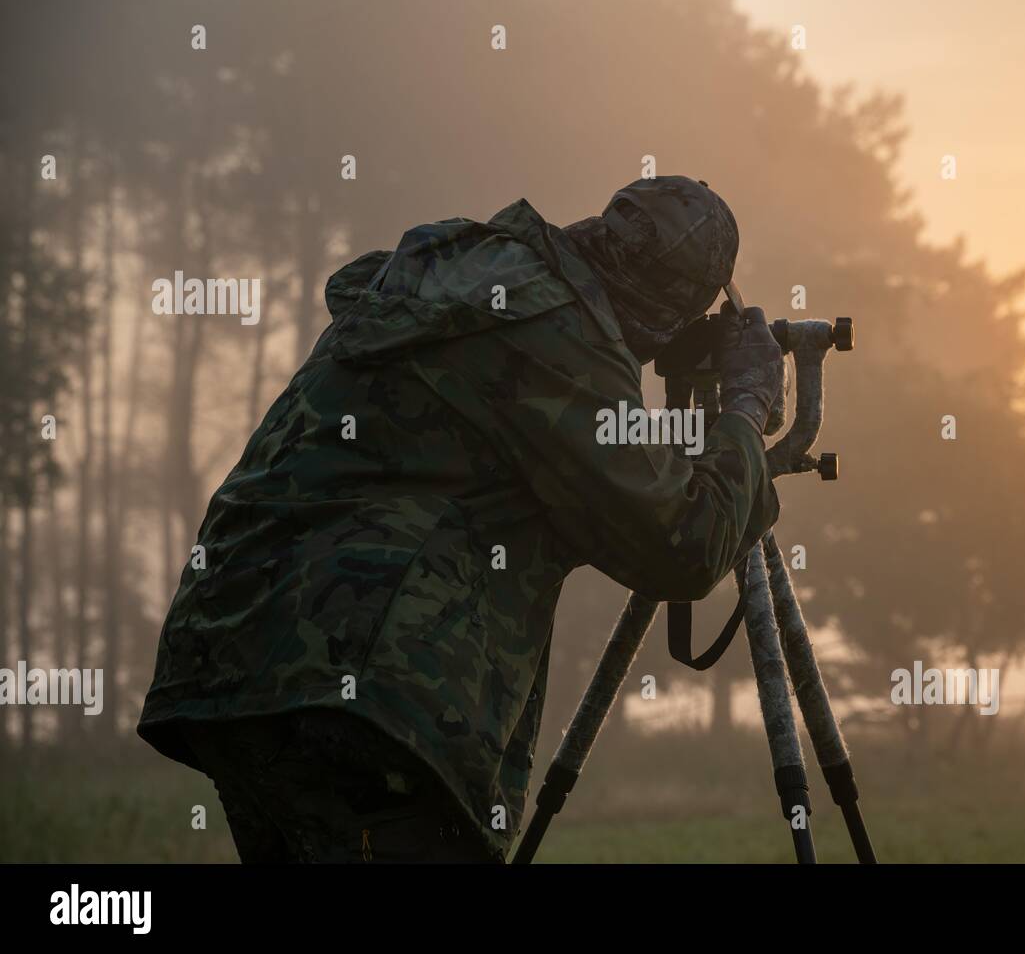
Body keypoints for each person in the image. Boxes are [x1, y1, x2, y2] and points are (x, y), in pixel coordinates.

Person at [137, 175, 783, 862]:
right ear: (670, 302)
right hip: (363, 695)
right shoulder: (557, 335)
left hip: (233, 654)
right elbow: (682, 543)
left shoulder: (465, 265)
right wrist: (744, 407)